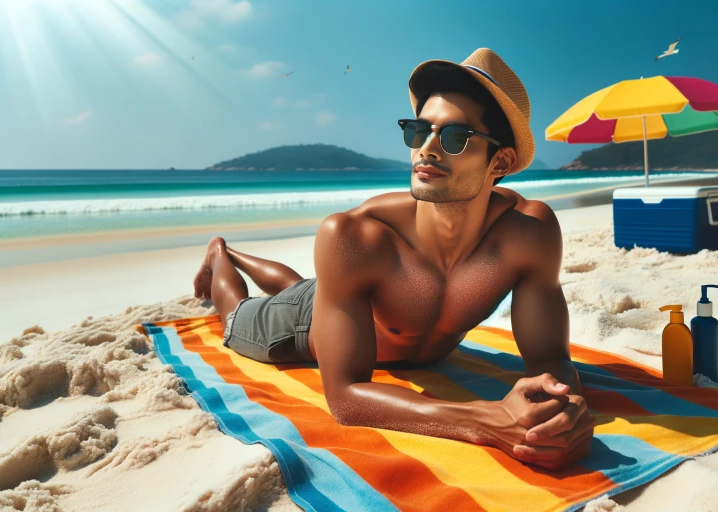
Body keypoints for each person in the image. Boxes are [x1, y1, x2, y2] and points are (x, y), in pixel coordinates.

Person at [192, 48, 595, 471]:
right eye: (418, 131)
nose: (428, 148)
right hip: (299, 326)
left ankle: (239, 256)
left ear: (501, 161)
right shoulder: (354, 235)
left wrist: (557, 409)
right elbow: (346, 397)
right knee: (238, 314)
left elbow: (551, 360)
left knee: (298, 285)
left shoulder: (529, 233)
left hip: (342, 294)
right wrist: (485, 419)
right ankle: (221, 253)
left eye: (455, 137)